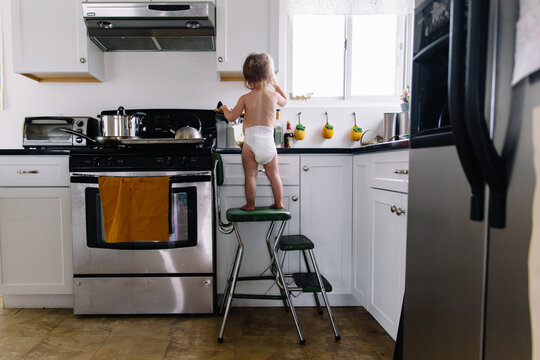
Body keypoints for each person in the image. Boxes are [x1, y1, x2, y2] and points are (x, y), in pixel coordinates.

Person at [220, 53, 288, 211]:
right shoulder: (274, 96)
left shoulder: (245, 98)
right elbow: (286, 101)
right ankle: (279, 203)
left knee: (251, 176)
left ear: (247, 78)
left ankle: (250, 204)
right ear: (270, 76)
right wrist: (276, 85)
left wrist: (224, 108)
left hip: (250, 143)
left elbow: (231, 118)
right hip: (268, 142)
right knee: (274, 175)